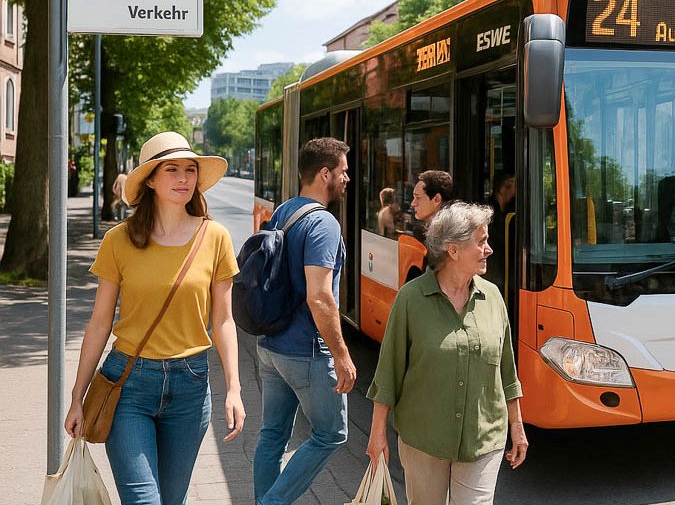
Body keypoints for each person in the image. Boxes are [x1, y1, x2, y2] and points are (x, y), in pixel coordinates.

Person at [64, 131, 243, 505]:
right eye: (172, 170)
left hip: (191, 386)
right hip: (129, 383)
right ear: (150, 179)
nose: (184, 179)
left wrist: (235, 388)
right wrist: (77, 397)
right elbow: (99, 323)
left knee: (171, 500)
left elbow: (224, 321)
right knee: (144, 500)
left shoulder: (216, 237)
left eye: (190, 170)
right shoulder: (119, 240)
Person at [365, 202, 528, 505]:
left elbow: (507, 370)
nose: (489, 249)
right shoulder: (411, 300)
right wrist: (377, 436)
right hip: (424, 440)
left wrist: (516, 428)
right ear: (453, 250)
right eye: (481, 242)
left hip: (483, 439)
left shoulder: (492, 297)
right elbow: (388, 373)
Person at [253, 137, 356, 505]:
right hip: (306, 352)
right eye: (343, 171)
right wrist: (341, 354)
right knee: (331, 434)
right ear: (325, 173)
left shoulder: (284, 211)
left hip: (270, 345)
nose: (348, 178)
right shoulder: (324, 224)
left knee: (272, 435)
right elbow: (319, 295)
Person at [485, 172, 516, 290]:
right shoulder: (489, 211)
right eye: (514, 185)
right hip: (493, 267)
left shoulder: (509, 210)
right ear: (504, 187)